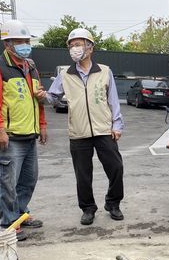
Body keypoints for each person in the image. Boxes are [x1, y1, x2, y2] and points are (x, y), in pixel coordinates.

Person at [47, 28, 125, 226]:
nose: (74, 49)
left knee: (116, 167)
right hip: (78, 132)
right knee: (83, 174)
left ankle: (113, 203)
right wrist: (41, 96)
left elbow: (113, 100)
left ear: (90, 48)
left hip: (104, 130)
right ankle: (88, 208)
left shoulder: (104, 71)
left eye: (78, 44)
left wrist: (117, 124)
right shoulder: (65, 74)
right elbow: (52, 97)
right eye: (71, 46)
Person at [0, 19, 47, 241]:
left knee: (28, 179)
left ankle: (20, 214)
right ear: (7, 43)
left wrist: (43, 124)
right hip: (8, 137)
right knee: (7, 182)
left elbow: (37, 99)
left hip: (30, 134)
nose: (24, 45)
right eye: (19, 41)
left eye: (26, 41)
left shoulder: (31, 67)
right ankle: (9, 224)